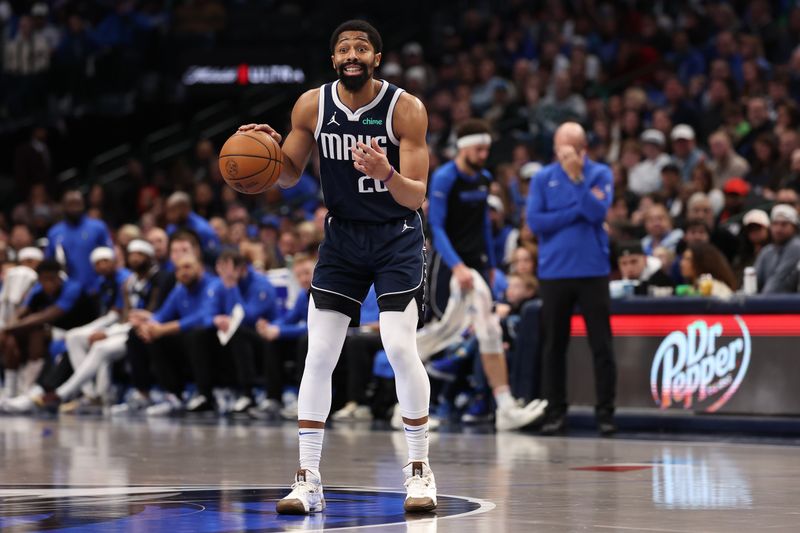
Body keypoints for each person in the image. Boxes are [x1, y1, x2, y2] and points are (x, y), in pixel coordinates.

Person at [238, 20, 435, 513]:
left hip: (396, 237)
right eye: (344, 48)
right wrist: (265, 150)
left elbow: (418, 195)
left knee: (397, 344)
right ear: (333, 60)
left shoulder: (404, 109)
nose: (352, 54)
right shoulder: (311, 105)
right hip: (343, 238)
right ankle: (308, 478)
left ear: (376, 58)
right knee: (319, 353)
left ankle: (418, 469)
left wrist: (385, 171)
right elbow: (286, 177)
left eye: (361, 48)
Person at [427, 118, 546, 431]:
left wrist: (491, 267)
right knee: (450, 331)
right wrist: (458, 266)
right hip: (449, 266)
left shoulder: (484, 178)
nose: (483, 154)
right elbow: (436, 228)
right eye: (479, 148)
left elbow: (482, 227)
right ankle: (405, 398)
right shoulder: (444, 177)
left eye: (486, 149)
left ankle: (505, 407)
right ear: (463, 147)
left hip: (477, 266)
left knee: (483, 329)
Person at [526, 121, 617, 437]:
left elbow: (597, 213)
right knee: (554, 346)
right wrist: (575, 210)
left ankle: (605, 413)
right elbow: (536, 222)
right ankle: (555, 412)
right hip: (554, 273)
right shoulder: (542, 178)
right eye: (558, 150)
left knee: (601, 345)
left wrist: (578, 181)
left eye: (568, 151)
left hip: (593, 271)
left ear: (582, 150)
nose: (562, 156)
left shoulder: (600, 174)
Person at [45, 190, 113, 291]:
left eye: (77, 203)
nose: (74, 208)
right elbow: (49, 263)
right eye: (70, 204)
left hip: (96, 287)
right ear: (63, 206)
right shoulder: (54, 232)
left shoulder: (98, 227)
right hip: (66, 290)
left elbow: (109, 256)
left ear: (83, 205)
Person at [754, 204, 800, 293]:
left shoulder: (796, 246)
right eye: (775, 224)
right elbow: (754, 281)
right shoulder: (767, 251)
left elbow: (777, 283)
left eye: (784, 224)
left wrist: (760, 303)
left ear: (794, 227)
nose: (778, 229)